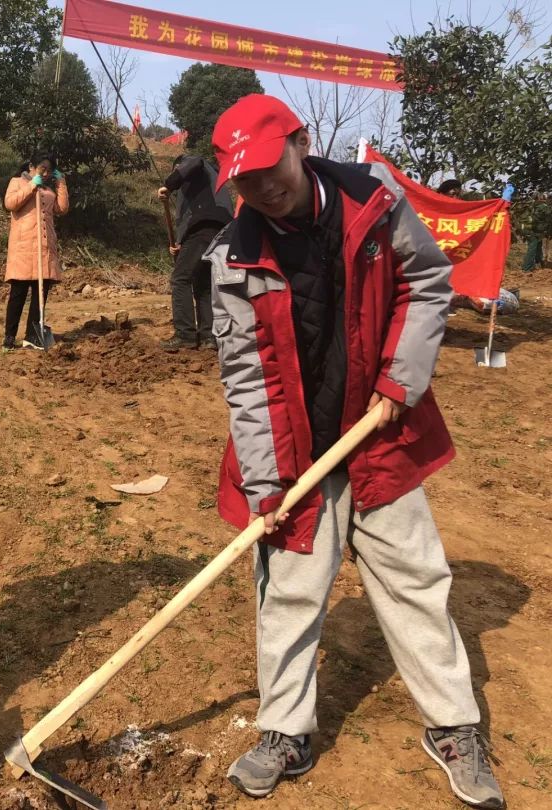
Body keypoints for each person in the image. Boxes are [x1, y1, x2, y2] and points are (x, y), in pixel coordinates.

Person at [206, 95, 503, 810]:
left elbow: (428, 284)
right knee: (288, 590)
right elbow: (246, 382)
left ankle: (453, 725)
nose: (259, 187)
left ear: (301, 143)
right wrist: (265, 486)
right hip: (293, 446)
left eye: (268, 167)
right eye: (242, 179)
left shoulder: (375, 201)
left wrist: (404, 377)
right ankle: (285, 730)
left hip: (379, 428)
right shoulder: (233, 257)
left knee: (414, 579)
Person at [157, 154, 234, 350]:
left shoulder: (195, 164)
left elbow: (195, 160)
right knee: (203, 283)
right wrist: (180, 243)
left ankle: (185, 334)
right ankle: (208, 336)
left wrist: (170, 183)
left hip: (204, 228)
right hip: (220, 231)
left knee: (180, 279)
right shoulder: (211, 184)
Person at [2, 152, 69, 349]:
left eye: (50, 170)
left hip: (44, 249)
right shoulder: (17, 182)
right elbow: (10, 204)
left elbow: (62, 208)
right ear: (31, 167)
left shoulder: (49, 189)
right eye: (43, 169)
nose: (46, 173)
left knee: (40, 294)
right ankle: (9, 336)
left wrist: (61, 183)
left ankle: (32, 335)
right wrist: (33, 185)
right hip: (23, 248)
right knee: (18, 293)